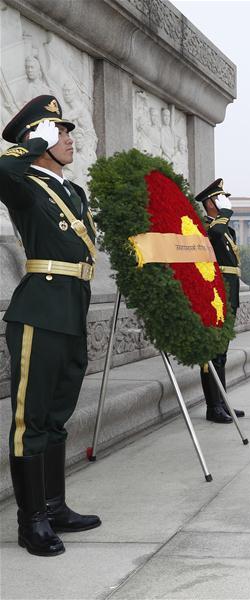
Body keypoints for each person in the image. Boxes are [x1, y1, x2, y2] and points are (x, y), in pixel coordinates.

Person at [1, 95, 101, 556]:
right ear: (36, 139)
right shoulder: (25, 185)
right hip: (39, 313)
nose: (68, 139)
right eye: (58, 132)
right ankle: (31, 521)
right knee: (32, 420)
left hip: (71, 311)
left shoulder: (71, 190)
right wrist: (25, 147)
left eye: (65, 131)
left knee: (57, 417)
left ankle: (55, 506)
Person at [196, 178, 245, 423]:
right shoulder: (206, 226)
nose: (226, 203)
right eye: (220, 198)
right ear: (210, 203)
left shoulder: (225, 228)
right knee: (212, 353)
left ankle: (222, 402)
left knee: (221, 353)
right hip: (215, 296)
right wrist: (224, 213)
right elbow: (214, 233)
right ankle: (212, 407)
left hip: (228, 294)